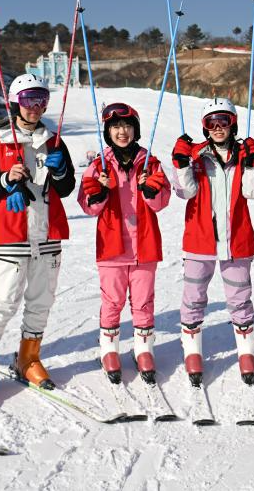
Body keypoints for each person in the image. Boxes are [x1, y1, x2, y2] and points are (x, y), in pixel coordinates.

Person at [0, 74, 76, 407]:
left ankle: (27, 358)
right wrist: (5, 179)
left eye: (41, 100)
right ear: (15, 102)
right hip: (13, 233)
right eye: (29, 99)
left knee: (42, 300)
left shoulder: (54, 140)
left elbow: (67, 187)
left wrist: (59, 172)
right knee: (3, 300)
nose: (36, 107)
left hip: (47, 232)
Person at [171, 98, 254, 387]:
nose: (218, 128)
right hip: (200, 240)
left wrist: (251, 163)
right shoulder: (197, 155)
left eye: (223, 121)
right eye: (211, 123)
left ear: (233, 122)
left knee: (239, 297)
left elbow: (253, 191)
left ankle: (247, 352)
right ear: (204, 127)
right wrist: (182, 163)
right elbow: (184, 192)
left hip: (236, 239)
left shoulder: (242, 154)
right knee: (194, 297)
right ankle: (192, 352)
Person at [77, 103, 171, 385]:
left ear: (136, 130)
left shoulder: (150, 163)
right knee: (113, 301)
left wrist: (149, 189)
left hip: (144, 246)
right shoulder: (99, 165)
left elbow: (161, 202)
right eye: (116, 127)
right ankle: (109, 349)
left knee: (143, 301)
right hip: (112, 246)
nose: (122, 132)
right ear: (108, 131)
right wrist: (101, 191)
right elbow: (87, 205)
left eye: (127, 126)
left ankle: (144, 349)